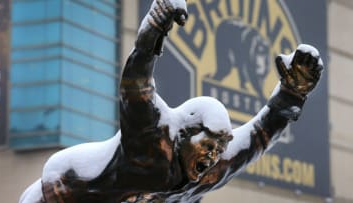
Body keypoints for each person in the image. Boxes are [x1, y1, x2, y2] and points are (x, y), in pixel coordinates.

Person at [19, 0, 323, 202]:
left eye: (219, 149)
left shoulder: (213, 169)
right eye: (208, 146)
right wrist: (154, 28)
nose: (213, 156)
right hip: (61, 195)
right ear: (183, 135)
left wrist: (292, 94)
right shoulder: (152, 138)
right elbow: (136, 87)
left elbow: (259, 136)